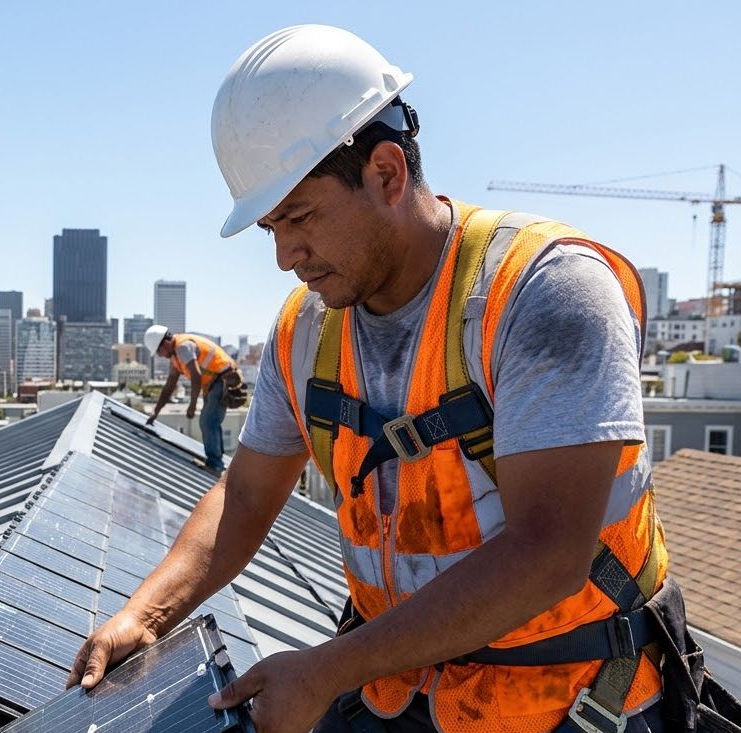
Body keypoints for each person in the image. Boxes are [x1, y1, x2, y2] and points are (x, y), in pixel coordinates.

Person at [68, 24, 680, 733]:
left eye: (298, 217)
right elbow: (245, 494)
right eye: (270, 227)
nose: (285, 255)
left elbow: (548, 552)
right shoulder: (307, 329)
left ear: (386, 173)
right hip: (393, 690)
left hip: (561, 703)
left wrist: (329, 668)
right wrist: (144, 616)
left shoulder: (542, 291)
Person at [143, 325, 241, 474]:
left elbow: (196, 375)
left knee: (208, 421)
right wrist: (156, 411)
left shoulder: (183, 347)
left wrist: (192, 405)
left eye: (159, 351)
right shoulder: (176, 356)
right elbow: (169, 386)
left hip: (222, 379)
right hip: (214, 382)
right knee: (211, 421)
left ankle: (215, 465)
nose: (160, 355)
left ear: (164, 343)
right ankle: (217, 461)